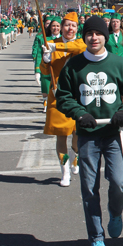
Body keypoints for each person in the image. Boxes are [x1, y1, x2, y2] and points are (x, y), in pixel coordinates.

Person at [56, 16, 123, 246]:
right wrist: (78, 112)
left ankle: (115, 212)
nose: (93, 38)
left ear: (105, 36)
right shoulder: (74, 66)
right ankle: (96, 238)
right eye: (89, 34)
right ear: (84, 37)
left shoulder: (118, 63)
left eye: (98, 34)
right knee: (89, 188)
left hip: (113, 135)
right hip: (87, 137)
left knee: (118, 182)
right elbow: (63, 96)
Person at [40, 12, 86, 187]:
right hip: (57, 95)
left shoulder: (81, 43)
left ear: (77, 28)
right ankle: (65, 170)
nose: (70, 28)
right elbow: (45, 71)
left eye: (73, 25)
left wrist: (55, 49)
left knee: (76, 135)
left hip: (78, 97)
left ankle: (74, 158)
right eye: (67, 25)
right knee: (61, 136)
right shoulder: (51, 44)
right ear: (61, 26)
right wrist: (45, 61)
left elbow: (76, 49)